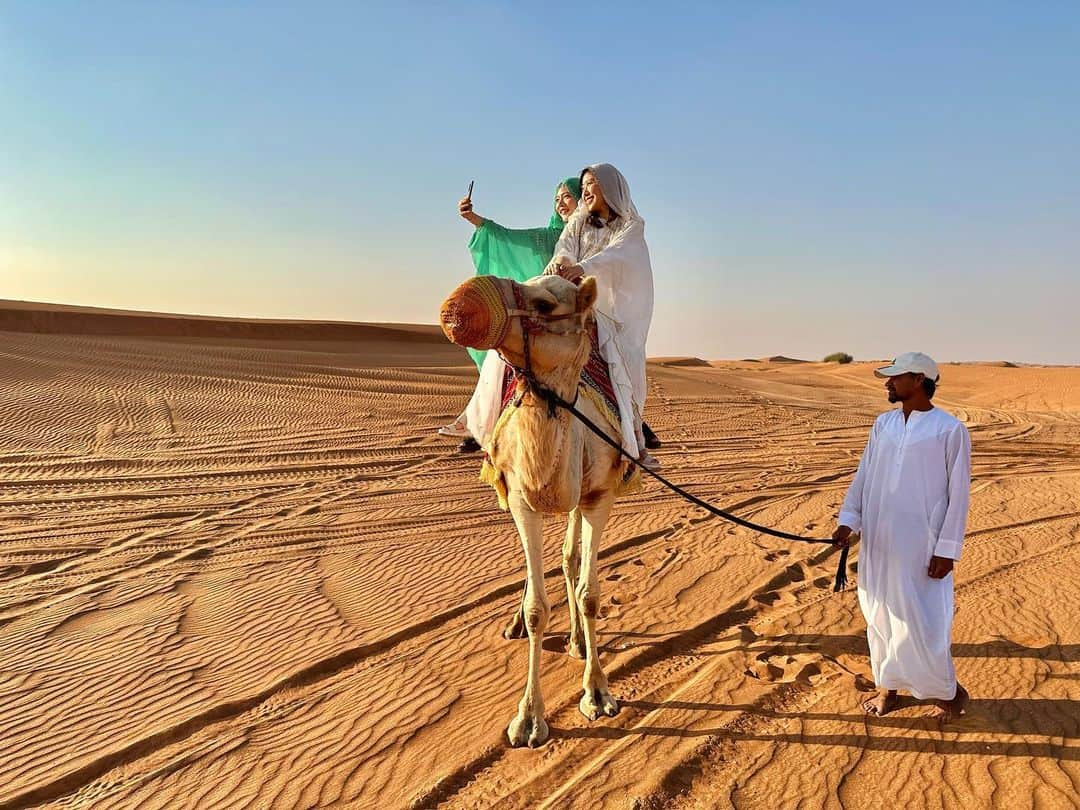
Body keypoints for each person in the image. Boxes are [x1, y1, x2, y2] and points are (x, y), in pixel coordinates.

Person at [832, 352, 971, 723]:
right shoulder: (883, 425)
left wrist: (947, 549)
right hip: (879, 540)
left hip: (922, 544)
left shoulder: (949, 429)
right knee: (879, 614)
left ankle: (948, 692)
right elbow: (864, 477)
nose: (888, 383)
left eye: (896, 377)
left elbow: (959, 495)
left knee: (924, 620)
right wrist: (849, 521)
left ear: (920, 380)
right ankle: (887, 687)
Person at [437, 178, 582, 451]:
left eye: (567, 197)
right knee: (501, 353)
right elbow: (505, 237)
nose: (561, 204)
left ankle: (632, 427)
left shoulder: (594, 237)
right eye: (557, 199)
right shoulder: (547, 237)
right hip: (546, 312)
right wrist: (473, 218)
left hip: (581, 312)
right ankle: (479, 425)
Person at [544, 163, 658, 469]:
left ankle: (634, 445)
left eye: (591, 183)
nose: (585, 190)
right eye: (583, 185)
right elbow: (564, 247)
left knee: (622, 366)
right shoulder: (578, 221)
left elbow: (617, 256)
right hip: (573, 298)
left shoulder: (630, 227)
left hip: (610, 312)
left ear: (609, 187)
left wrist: (584, 268)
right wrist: (560, 263)